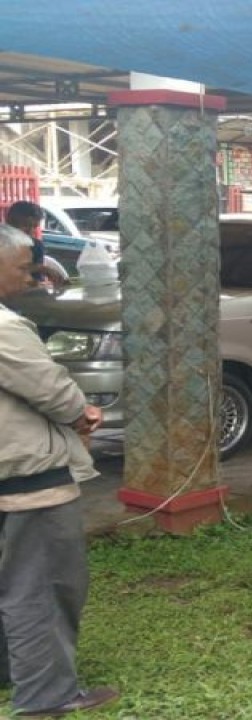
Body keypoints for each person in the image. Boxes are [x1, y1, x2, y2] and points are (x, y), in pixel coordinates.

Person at [0, 224, 119, 716]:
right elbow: (51, 389)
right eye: (25, 267)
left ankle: (14, 671)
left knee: (11, 582)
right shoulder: (4, 327)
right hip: (28, 477)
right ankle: (46, 695)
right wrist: (82, 412)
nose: (32, 277)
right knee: (43, 587)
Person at [4, 202, 69, 291]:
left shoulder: (36, 246)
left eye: (34, 226)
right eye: (25, 225)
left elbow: (36, 280)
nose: (30, 230)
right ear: (9, 223)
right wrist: (41, 269)